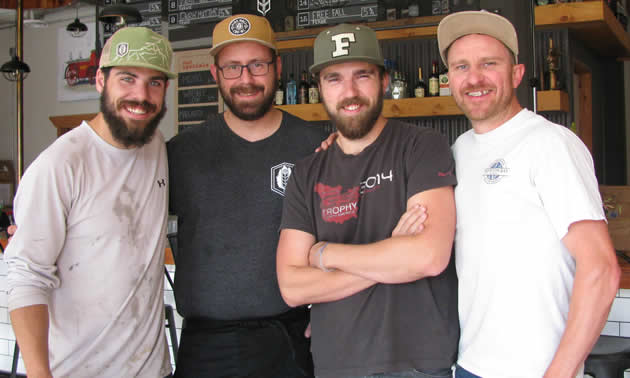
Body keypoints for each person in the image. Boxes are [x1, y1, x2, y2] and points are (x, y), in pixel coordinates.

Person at [437, 10, 621, 378]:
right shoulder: (458, 151)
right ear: (449, 80)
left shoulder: (549, 144)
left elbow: (601, 268)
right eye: (460, 67)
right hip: (469, 366)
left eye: (489, 64)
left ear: (516, 74)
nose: (474, 78)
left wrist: (560, 373)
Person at [276, 23, 459, 378]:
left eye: (362, 75)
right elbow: (292, 287)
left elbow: (428, 257)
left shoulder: (422, 146)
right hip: (335, 363)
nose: (350, 92)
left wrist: (325, 254)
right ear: (319, 88)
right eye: (334, 78)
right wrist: (393, 254)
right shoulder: (306, 173)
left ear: (384, 81)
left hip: (417, 363)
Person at [4, 27, 175, 377]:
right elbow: (26, 278)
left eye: (154, 83)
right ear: (100, 80)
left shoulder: (155, 144)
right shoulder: (60, 165)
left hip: (153, 370)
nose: (140, 96)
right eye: (127, 79)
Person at [166, 14, 326, 377]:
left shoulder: (313, 146)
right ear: (215, 73)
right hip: (207, 347)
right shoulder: (180, 152)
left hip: (291, 340)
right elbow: (127, 214)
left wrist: (335, 310)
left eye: (257, 65)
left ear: (277, 67)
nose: (246, 80)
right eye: (233, 67)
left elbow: (345, 231)